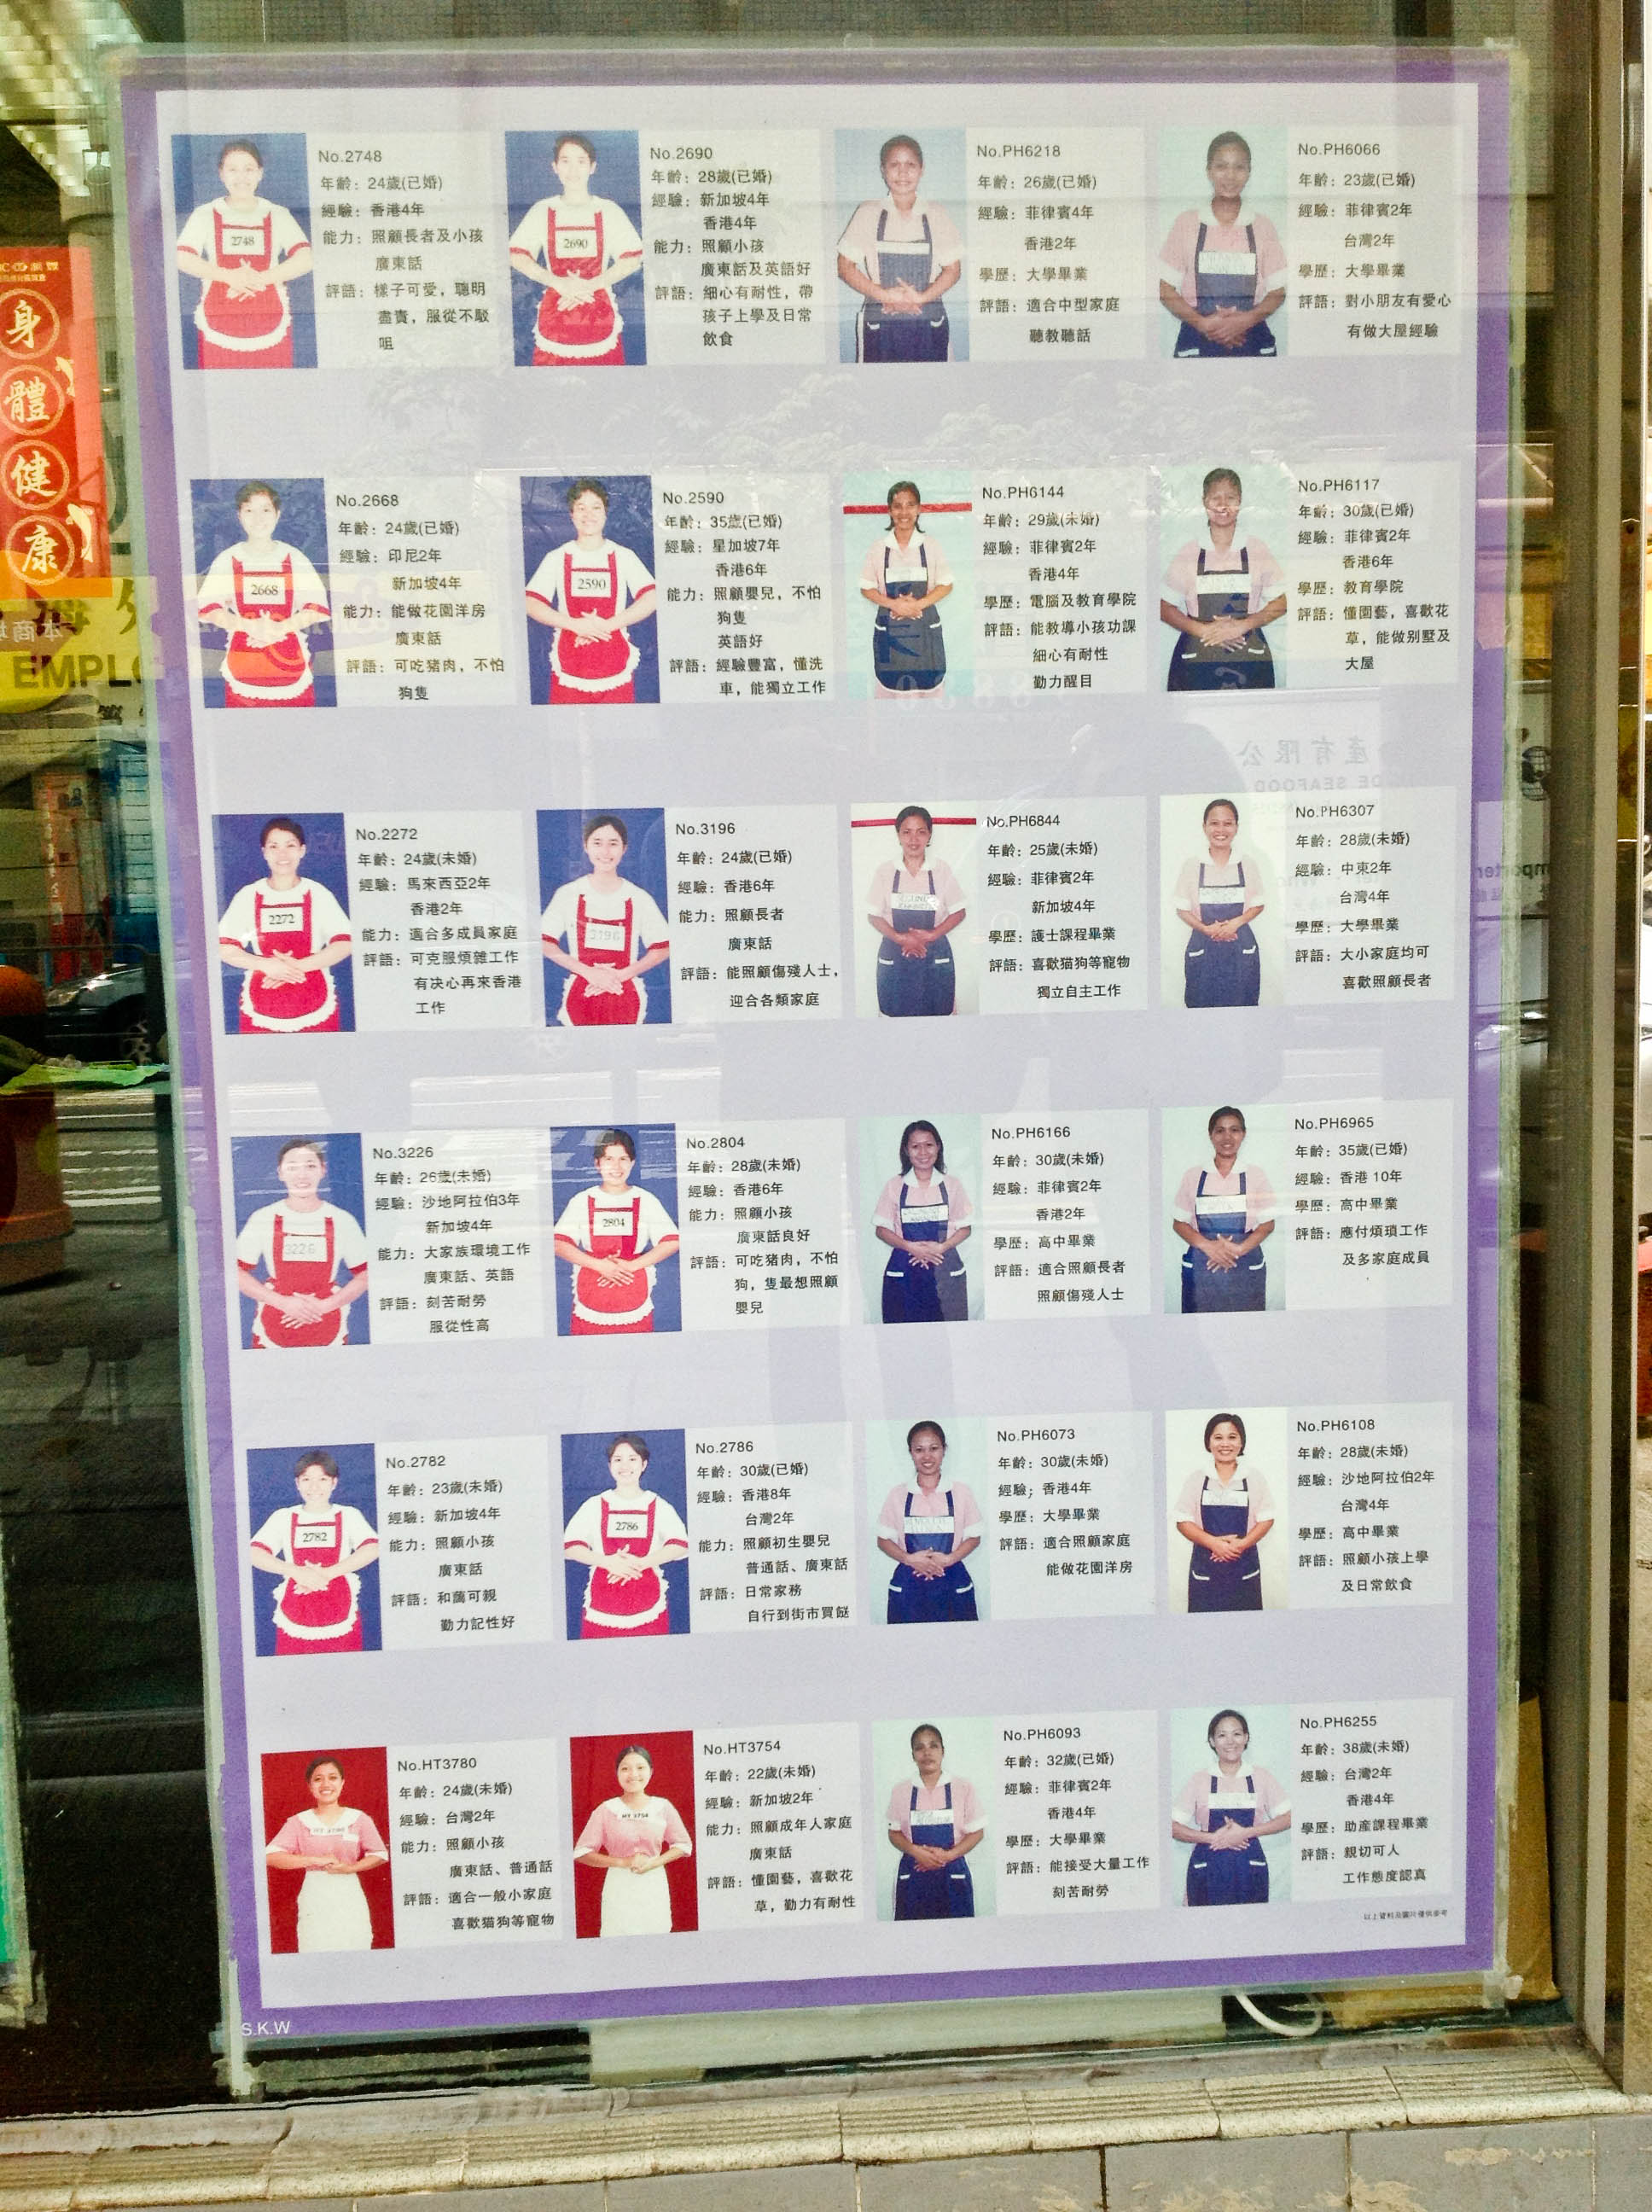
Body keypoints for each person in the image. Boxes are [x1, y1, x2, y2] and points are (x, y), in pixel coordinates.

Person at [175, 138, 312, 369]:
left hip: (271, 321)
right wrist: (229, 276)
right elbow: (182, 256)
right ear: (221, 174)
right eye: (233, 170)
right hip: (217, 324)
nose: (241, 177)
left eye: (249, 169)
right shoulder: (204, 214)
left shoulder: (277, 214)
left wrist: (260, 279)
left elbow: (305, 258)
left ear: (260, 173)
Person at [509, 133, 643, 365]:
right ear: (555, 167)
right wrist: (559, 283)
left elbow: (632, 259)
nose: (573, 170)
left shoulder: (608, 210)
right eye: (565, 161)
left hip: (599, 314)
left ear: (592, 167)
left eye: (581, 161)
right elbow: (517, 255)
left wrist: (589, 285)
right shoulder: (542, 210)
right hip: (555, 315)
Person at [197, 480, 330, 708]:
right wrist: (248, 626)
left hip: (290, 661)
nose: (258, 518)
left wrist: (281, 628)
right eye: (249, 510)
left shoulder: (294, 558)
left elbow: (315, 608)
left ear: (278, 514)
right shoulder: (228, 559)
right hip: (243, 661)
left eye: (266, 510)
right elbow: (209, 609)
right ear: (239, 516)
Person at [526, 479, 657, 704]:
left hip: (615, 664)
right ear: (571, 514)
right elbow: (530, 602)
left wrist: (607, 626)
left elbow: (652, 597)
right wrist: (575, 625)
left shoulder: (623, 556)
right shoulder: (557, 558)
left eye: (596, 507)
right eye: (581, 508)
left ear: (605, 513)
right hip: (569, 666)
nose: (589, 515)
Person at [218, 816, 352, 1033]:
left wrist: (295, 968)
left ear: (302, 850)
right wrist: (267, 965)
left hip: (316, 1001)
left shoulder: (318, 894)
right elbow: (224, 947)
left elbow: (345, 943)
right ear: (264, 852)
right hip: (260, 1003)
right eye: (274, 846)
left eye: (290, 845)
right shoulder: (248, 895)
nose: (282, 854)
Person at [1158, 131, 1285, 358]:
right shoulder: (1187, 223)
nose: (1230, 176)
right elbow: (1165, 290)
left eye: (1239, 167)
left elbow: (1278, 292)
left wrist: (1245, 321)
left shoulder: (1263, 226)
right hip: (1197, 338)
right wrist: (1203, 324)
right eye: (1221, 166)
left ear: (1249, 172)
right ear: (1209, 171)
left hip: (1252, 340)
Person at [837, 135, 963, 362]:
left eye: (910, 165)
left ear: (922, 170)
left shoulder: (937, 213)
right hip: (879, 320)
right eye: (894, 165)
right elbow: (844, 266)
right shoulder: (867, 212)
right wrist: (885, 295)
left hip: (928, 318)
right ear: (883, 170)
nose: (902, 173)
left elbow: (954, 270)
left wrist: (921, 298)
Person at [236, 1138, 369, 1349]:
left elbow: (365, 1274)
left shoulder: (342, 1220)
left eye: (310, 1166)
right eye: (293, 1167)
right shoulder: (264, 1217)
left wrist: (325, 1306)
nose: (302, 1175)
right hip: (272, 1327)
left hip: (329, 1327)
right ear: (280, 1173)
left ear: (323, 1170)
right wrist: (282, 1303)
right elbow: (236, 1272)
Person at [1160, 469, 1285, 691]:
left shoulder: (1256, 549)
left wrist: (1242, 626)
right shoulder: (1189, 552)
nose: (1223, 505)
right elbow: (1164, 607)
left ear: (1240, 502)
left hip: (1249, 658)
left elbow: (1282, 602)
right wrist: (1205, 631)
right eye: (1215, 498)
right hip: (1197, 660)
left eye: (1231, 498)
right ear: (1204, 502)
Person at [541, 813, 670, 1026]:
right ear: (586, 846)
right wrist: (589, 973)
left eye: (613, 844)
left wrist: (621, 975)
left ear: (624, 848)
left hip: (625, 996)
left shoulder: (638, 897)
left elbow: (662, 947)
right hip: (580, 997)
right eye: (597, 843)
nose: (605, 852)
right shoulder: (569, 894)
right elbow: (545, 942)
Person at [248, 1448, 380, 1653]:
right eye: (306, 1479)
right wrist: (296, 1572)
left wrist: (327, 1574)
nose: (314, 1487)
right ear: (297, 1483)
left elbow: (372, 1547)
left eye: (323, 1479)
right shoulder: (283, 1517)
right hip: (295, 1609)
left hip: (340, 1606)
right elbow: (254, 1552)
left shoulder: (349, 1515)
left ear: (334, 1482)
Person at [553, 1128, 679, 1336]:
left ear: (633, 1163)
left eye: (623, 1159)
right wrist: (600, 1266)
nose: (616, 1167)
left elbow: (672, 1241)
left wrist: (630, 1266)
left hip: (633, 1286)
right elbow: (558, 1243)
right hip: (592, 1286)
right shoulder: (582, 1200)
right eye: (609, 1159)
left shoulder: (645, 1200)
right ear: (597, 1163)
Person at [563, 1434, 689, 1639]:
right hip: (602, 1604)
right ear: (609, 1465)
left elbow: (680, 1544)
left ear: (644, 1464)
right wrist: (608, 1562)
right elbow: (570, 1546)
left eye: (632, 1459)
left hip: (649, 1603)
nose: (625, 1466)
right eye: (618, 1459)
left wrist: (638, 1564)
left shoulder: (658, 1505)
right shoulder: (594, 1505)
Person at [265, 1755, 388, 1950]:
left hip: (349, 1891)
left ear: (342, 1782)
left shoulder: (359, 1818)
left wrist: (350, 1868)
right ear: (310, 1786)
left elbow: (380, 1854)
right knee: (315, 1945)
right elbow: (270, 1856)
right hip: (315, 1894)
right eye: (318, 1779)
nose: (326, 1784)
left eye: (332, 1777)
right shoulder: (299, 1821)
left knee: (355, 1944)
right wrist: (315, 1860)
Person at [1171, 1710, 1291, 1906]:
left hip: (1249, 1866)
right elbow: (1172, 1826)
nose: (1230, 1742)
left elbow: (1289, 1817)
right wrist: (1214, 1838)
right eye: (1222, 1735)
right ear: (1212, 1741)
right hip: (1208, 1866)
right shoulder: (1199, 1780)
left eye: (1236, 1734)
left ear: (1246, 1738)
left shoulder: (1262, 1777)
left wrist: (1246, 1833)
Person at [573, 1744, 693, 1936]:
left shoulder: (663, 1806)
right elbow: (581, 1852)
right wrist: (623, 1862)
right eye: (625, 1768)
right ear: (617, 1773)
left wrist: (654, 1862)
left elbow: (683, 1845)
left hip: (653, 1882)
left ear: (651, 1771)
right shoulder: (606, 1810)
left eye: (640, 1767)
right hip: (619, 1884)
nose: (633, 1774)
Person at [876, 1420, 981, 1624]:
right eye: (919, 1450)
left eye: (934, 1448)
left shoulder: (961, 1492)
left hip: (952, 1583)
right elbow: (883, 1540)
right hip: (909, 1585)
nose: (927, 1456)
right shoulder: (898, 1494)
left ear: (944, 1450)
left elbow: (974, 1537)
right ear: (911, 1452)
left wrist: (949, 1559)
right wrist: (909, 1559)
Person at [1172, 1107, 1276, 1314]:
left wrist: (1239, 1250)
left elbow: (1268, 1224)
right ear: (1210, 1135)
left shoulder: (1256, 1175)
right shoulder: (1193, 1175)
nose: (1227, 1137)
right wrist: (1209, 1247)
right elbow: (1179, 1223)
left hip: (1245, 1263)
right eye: (1220, 1130)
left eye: (1234, 1130)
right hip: (1203, 1264)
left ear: (1243, 1134)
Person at [867, 804, 966, 1016]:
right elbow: (873, 916)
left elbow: (959, 912)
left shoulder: (941, 870)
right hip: (895, 953)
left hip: (934, 954)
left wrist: (930, 935)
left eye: (921, 832)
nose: (914, 839)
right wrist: (901, 938)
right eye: (907, 832)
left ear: (929, 835)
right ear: (898, 835)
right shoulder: (886, 871)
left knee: (938, 1014)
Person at [858, 483, 954, 697]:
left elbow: (946, 584)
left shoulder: (931, 546)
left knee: (930, 696)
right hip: (890, 636)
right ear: (889, 511)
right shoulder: (878, 548)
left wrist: (917, 605)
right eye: (897, 506)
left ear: (919, 509)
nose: (904, 512)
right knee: (890, 696)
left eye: (910, 505)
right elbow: (866, 588)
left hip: (925, 634)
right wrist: (895, 605)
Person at [1174, 1415, 1276, 1613]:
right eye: (1218, 1437)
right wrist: (1214, 1544)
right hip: (1206, 1568)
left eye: (1232, 1437)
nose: (1225, 1444)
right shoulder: (1197, 1479)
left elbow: (1267, 1518)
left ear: (1241, 1442)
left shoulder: (1254, 1478)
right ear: (1208, 1442)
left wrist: (1240, 1545)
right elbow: (1182, 1520)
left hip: (1244, 1566)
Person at [874, 1121, 971, 1324]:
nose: (923, 1152)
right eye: (915, 1146)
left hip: (944, 1266)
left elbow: (965, 1228)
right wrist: (910, 1247)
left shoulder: (952, 1185)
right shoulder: (895, 1186)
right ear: (906, 1150)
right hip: (905, 1268)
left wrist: (941, 1247)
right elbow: (881, 1230)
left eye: (929, 1145)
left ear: (938, 1147)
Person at [1174, 798, 1265, 1007]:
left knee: (1243, 1003)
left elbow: (1258, 904)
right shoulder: (1192, 865)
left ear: (1236, 827)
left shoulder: (1247, 864)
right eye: (1214, 823)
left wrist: (1234, 924)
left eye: (1228, 823)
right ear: (1204, 827)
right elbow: (1182, 910)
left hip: (1240, 945)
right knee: (1201, 1003)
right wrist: (1206, 929)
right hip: (1203, 945)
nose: (1221, 830)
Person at [886, 1724, 984, 1918]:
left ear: (943, 1751)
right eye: (919, 1747)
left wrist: (947, 1856)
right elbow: (894, 1833)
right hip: (914, 1875)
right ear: (913, 1755)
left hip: (952, 1874)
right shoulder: (901, 1791)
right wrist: (917, 1852)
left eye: (933, 1746)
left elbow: (977, 1832)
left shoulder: (963, 1788)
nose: (927, 1752)